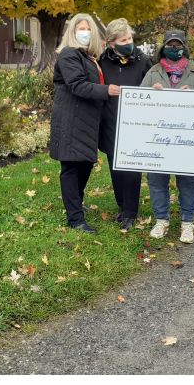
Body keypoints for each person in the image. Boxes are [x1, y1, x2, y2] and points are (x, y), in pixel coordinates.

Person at [50, 13, 121, 233]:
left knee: (84, 163)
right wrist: (107, 91)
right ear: (72, 32)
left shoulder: (88, 56)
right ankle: (75, 219)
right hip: (72, 119)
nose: (85, 32)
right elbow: (77, 85)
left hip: (85, 120)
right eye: (81, 28)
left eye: (89, 28)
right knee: (72, 167)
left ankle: (76, 205)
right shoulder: (69, 54)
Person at [140, 30, 194, 244]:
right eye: (170, 44)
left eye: (177, 44)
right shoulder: (153, 72)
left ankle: (187, 223)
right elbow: (139, 102)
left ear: (184, 47)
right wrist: (152, 94)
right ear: (163, 47)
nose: (173, 48)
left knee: (188, 180)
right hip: (158, 136)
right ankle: (161, 220)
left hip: (187, 138)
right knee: (156, 179)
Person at [98, 18, 152, 232]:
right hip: (111, 121)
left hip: (135, 124)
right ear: (111, 43)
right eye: (123, 40)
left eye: (129, 38)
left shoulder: (143, 60)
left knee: (131, 170)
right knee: (115, 167)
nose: (128, 42)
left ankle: (131, 211)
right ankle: (122, 204)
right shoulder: (103, 61)